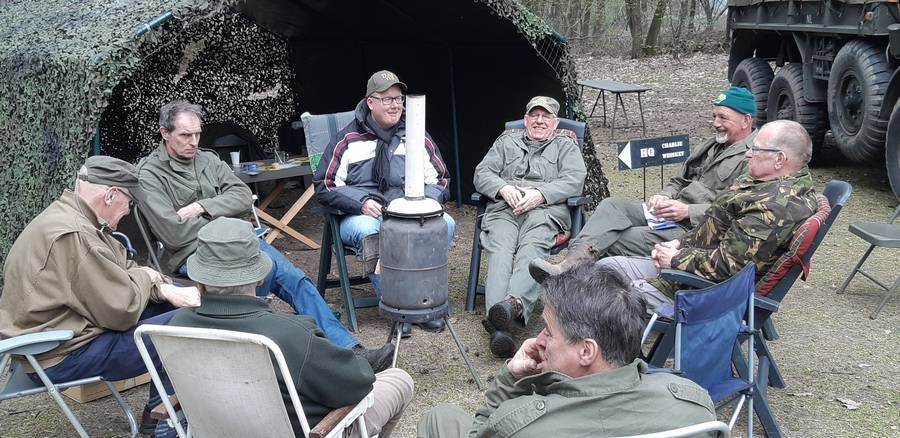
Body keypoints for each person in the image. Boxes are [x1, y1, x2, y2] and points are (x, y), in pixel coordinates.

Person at [137, 100, 393, 370]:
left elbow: (242, 196)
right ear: (165, 133)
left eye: (197, 134)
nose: (193, 142)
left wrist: (203, 206)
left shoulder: (207, 159)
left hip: (242, 243)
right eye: (185, 135)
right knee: (256, 286)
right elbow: (174, 234)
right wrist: (229, 223)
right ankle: (275, 362)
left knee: (296, 279)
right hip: (194, 255)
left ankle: (349, 353)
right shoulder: (150, 174)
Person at [0, 156, 202, 433]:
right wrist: (149, 278)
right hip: (59, 356)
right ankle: (165, 424)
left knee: (172, 308)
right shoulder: (75, 234)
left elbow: (124, 268)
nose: (128, 212)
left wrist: (163, 288)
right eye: (130, 203)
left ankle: (156, 415)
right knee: (187, 324)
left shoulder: (72, 216)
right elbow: (121, 310)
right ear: (110, 195)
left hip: (63, 337)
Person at [169, 217, 414, 437]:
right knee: (398, 379)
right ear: (261, 278)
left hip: (219, 429)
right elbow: (357, 385)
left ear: (199, 281)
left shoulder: (175, 328)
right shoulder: (289, 334)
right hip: (312, 430)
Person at [416, 263, 716, 437]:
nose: (538, 340)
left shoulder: (522, 426)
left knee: (439, 418)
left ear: (586, 351)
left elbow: (481, 432)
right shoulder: (695, 406)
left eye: (548, 331)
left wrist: (510, 380)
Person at [530, 86, 757, 283]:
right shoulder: (711, 145)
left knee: (616, 236)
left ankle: (571, 279)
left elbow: (736, 210)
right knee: (612, 206)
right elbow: (679, 180)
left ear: (746, 120)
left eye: (723, 118)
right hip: (668, 213)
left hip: (695, 230)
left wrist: (688, 211)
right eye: (714, 116)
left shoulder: (754, 158)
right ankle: (568, 266)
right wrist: (664, 196)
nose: (715, 123)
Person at [597, 119, 818, 312]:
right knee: (605, 268)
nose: (748, 153)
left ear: (779, 159)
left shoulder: (773, 207)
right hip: (689, 270)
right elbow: (714, 226)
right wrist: (678, 243)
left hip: (699, 293)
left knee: (601, 296)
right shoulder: (763, 182)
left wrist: (674, 258)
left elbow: (729, 267)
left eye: (756, 149)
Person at [313, 70, 453, 336]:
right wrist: (362, 201)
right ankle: (398, 307)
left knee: (445, 223)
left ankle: (422, 303)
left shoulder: (415, 136)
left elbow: (440, 179)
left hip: (409, 213)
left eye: (398, 99)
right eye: (387, 99)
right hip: (361, 215)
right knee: (376, 231)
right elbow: (325, 185)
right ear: (370, 102)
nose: (395, 105)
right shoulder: (347, 139)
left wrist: (421, 206)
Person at [473, 96, 586, 358]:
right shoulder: (506, 142)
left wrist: (541, 193)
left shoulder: (566, 146)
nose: (539, 121)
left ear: (555, 123)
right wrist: (503, 187)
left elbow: (574, 180)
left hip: (544, 211)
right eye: (534, 115)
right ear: (525, 120)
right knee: (500, 249)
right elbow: (482, 173)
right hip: (505, 209)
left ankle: (509, 310)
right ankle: (503, 321)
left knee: (531, 249)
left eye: (546, 116)